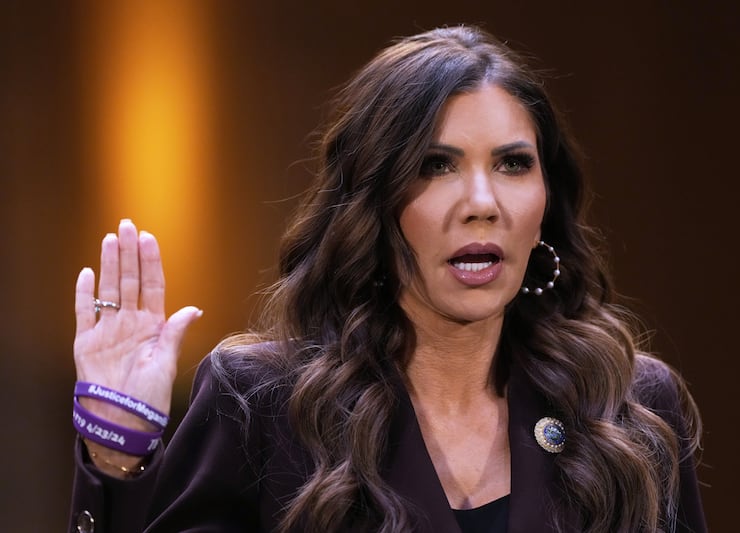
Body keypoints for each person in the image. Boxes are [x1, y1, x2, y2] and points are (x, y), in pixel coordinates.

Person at [68, 25, 705, 533]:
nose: (482, 201)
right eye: (437, 165)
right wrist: (115, 457)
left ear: (546, 200)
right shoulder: (263, 405)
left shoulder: (628, 406)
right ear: (375, 200)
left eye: (513, 163)